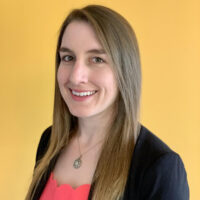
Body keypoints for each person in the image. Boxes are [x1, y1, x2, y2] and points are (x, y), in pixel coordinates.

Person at [25, 5, 189, 200]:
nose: (76, 77)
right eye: (68, 57)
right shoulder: (50, 141)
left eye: (96, 59)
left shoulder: (159, 167)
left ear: (124, 71)